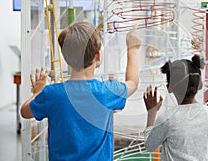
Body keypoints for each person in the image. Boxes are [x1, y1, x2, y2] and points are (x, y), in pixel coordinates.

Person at [20, 21, 142, 161]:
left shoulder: (52, 94)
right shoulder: (107, 92)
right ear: (98, 56)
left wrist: (37, 92)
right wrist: (133, 48)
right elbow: (133, 83)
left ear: (66, 57)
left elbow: (24, 111)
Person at [143, 54, 208, 161]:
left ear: (169, 88)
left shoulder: (167, 119)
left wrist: (151, 112)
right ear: (200, 84)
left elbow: (149, 146)